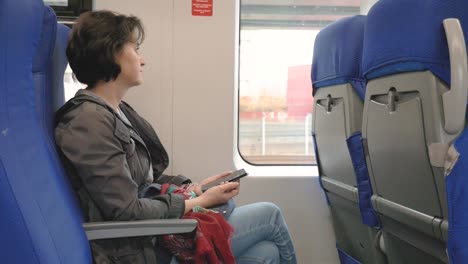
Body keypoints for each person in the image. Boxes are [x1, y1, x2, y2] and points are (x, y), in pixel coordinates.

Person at [55, 10, 297, 264]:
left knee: (267, 253)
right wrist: (196, 201)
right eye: (135, 49)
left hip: (150, 234)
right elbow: (126, 211)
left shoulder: (116, 111)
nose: (142, 59)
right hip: (136, 248)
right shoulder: (88, 122)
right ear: (112, 52)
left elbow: (142, 179)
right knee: (270, 216)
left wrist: (197, 188)